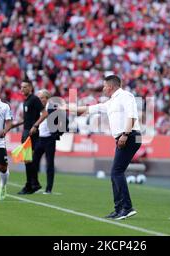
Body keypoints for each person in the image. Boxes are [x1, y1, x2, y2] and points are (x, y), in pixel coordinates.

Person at [64, 75, 141, 220]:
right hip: (123, 137)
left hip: (130, 136)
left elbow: (132, 116)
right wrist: (67, 107)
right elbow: (89, 109)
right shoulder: (111, 102)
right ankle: (118, 209)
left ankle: (127, 207)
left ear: (111, 86)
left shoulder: (126, 96)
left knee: (117, 172)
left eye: (104, 86)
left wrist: (125, 134)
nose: (103, 88)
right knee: (115, 173)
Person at [8, 78, 48, 194]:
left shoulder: (34, 99)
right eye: (21, 87)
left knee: (27, 159)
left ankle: (31, 184)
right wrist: (16, 125)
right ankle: (33, 184)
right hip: (26, 131)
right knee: (27, 159)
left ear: (30, 88)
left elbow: (44, 113)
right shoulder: (26, 101)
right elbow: (28, 118)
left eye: (25, 87)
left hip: (31, 132)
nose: (22, 89)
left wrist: (35, 126)